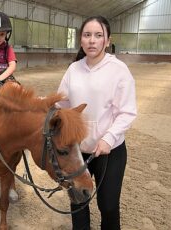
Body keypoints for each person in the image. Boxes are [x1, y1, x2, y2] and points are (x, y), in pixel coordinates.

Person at [57, 16, 137, 230]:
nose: (92, 40)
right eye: (87, 35)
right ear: (81, 40)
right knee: (78, 201)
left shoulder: (119, 70)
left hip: (109, 151)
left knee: (108, 205)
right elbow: (62, 102)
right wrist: (42, 105)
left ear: (107, 40)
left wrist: (109, 138)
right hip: (78, 150)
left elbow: (127, 112)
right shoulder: (73, 69)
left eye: (98, 35)